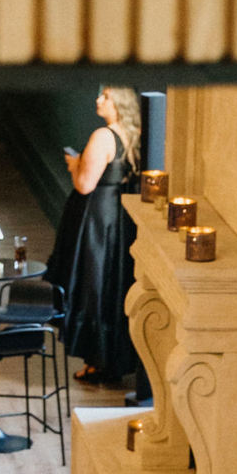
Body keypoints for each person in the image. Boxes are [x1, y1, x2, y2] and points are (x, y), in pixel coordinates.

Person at [46, 85, 142, 388]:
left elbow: (85, 185)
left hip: (95, 219)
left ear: (119, 104)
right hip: (119, 217)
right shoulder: (134, 134)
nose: (98, 99)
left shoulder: (103, 136)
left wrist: (75, 166)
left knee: (91, 285)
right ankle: (112, 360)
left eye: (105, 97)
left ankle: (95, 361)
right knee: (112, 285)